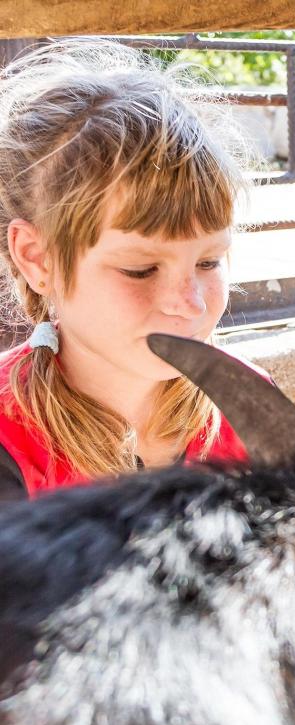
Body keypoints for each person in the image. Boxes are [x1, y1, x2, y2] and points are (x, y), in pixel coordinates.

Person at [0, 40, 256, 498]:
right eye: (140, 269)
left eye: (208, 262)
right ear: (38, 259)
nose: (190, 304)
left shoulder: (252, 407)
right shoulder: (9, 444)